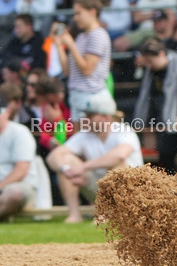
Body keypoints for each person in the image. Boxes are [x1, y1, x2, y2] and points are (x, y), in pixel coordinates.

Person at [46, 90, 142, 223]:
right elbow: (53, 156)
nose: (85, 119)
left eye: (91, 115)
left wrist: (84, 167)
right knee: (66, 161)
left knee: (118, 168)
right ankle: (75, 215)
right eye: (86, 115)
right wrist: (65, 169)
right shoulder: (85, 134)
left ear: (106, 117)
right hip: (99, 188)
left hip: (131, 193)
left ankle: (108, 213)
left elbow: (120, 155)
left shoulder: (123, 131)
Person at [133, 37, 177, 173]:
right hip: (169, 119)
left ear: (161, 54)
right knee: (165, 154)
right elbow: (149, 99)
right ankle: (173, 189)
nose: (148, 65)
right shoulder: (152, 72)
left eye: (150, 61)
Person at [52, 0, 112, 120]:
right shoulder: (81, 37)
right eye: (74, 14)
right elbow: (68, 71)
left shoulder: (98, 35)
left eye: (79, 13)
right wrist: (58, 45)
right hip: (78, 96)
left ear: (92, 12)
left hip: (91, 97)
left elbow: (87, 69)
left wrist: (71, 45)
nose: (76, 18)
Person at [0, 89, 40, 219]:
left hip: (20, 186)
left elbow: (21, 171)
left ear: (7, 112)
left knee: (13, 194)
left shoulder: (20, 132)